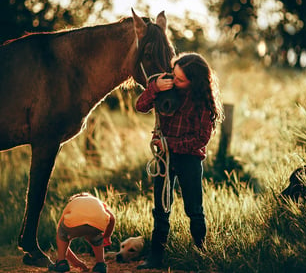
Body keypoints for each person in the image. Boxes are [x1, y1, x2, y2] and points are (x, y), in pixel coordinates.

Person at [136, 52, 224, 269]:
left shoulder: (202, 103)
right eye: (174, 75)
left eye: (180, 79)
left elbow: (200, 139)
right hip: (164, 158)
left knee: (194, 209)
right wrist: (155, 87)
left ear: (193, 82)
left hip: (189, 160)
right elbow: (140, 106)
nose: (174, 81)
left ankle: (200, 254)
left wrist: (169, 144)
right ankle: (155, 257)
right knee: (161, 209)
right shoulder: (168, 90)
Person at [48, 192, 115, 273]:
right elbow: (112, 218)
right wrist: (107, 236)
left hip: (73, 222)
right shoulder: (98, 202)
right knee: (96, 236)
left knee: (62, 235)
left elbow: (60, 236)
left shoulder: (72, 203)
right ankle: (100, 264)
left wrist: (75, 262)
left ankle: (61, 262)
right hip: (96, 223)